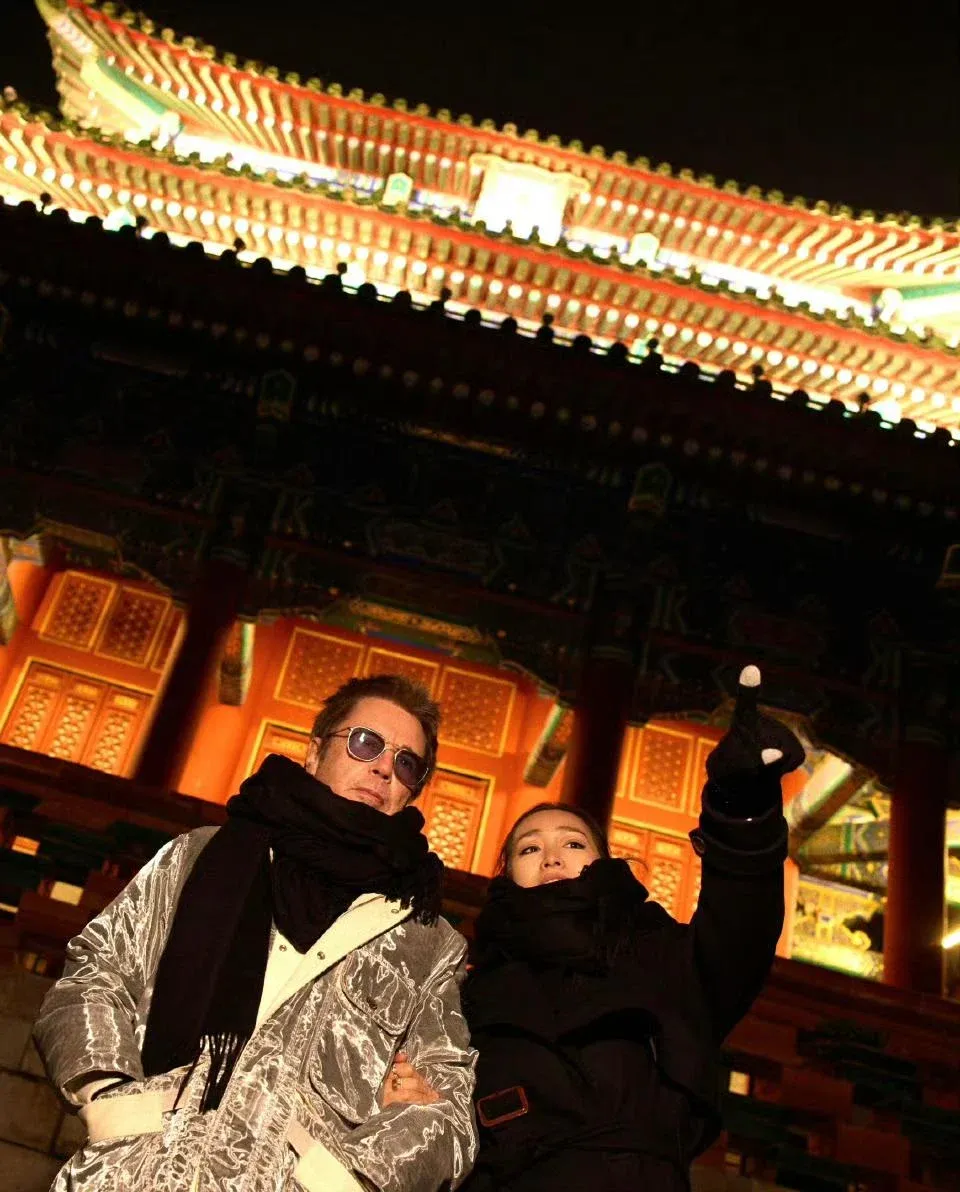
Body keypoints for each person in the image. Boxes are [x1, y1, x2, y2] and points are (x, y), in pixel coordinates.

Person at [34, 674, 478, 1192]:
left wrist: (343, 1180)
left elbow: (447, 1107)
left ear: (411, 791)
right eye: (365, 742)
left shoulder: (425, 937)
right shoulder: (200, 856)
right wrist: (110, 1099)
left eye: (406, 763)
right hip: (136, 1171)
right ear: (315, 752)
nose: (383, 767)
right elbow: (97, 970)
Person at [388, 664, 803, 1191]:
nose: (551, 856)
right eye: (530, 848)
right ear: (507, 873)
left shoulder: (662, 957)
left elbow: (742, 925)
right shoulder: (466, 987)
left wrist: (740, 810)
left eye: (573, 842)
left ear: (604, 861)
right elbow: (446, 1119)